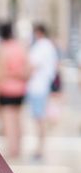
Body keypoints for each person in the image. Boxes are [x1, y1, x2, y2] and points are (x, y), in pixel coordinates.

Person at [0, 22, 30, 159]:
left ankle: (11, 149)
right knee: (18, 120)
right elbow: (28, 69)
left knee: (8, 121)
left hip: (5, 89)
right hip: (21, 89)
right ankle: (19, 148)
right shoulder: (21, 47)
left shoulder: (1, 49)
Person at [26, 24, 58, 160]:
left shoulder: (41, 46)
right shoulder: (49, 46)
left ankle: (40, 149)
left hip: (38, 86)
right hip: (42, 85)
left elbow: (31, 65)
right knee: (40, 118)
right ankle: (40, 148)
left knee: (40, 119)